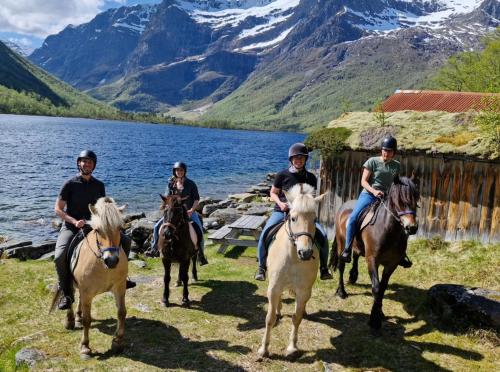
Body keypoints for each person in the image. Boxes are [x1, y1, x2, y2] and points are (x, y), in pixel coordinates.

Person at [54, 150, 135, 311]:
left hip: (94, 226)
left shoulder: (99, 185)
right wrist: (74, 221)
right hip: (72, 226)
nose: (86, 164)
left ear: (94, 165)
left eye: (89, 162)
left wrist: (115, 212)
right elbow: (58, 209)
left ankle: (122, 278)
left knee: (125, 240)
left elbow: (104, 208)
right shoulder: (69, 184)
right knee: (59, 255)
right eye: (83, 161)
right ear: (78, 163)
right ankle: (66, 292)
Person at [254, 143, 333, 281]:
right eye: (296, 158)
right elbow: (273, 193)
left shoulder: (311, 178)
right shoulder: (282, 175)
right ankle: (261, 267)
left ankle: (324, 268)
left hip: (303, 214)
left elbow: (310, 197)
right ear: (291, 160)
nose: (299, 160)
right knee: (265, 234)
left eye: (302, 158)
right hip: (282, 211)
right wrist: (281, 203)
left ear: (305, 160)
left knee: (323, 237)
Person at [340, 136, 412, 267]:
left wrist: (407, 188)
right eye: (384, 150)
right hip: (368, 195)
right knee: (353, 219)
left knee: (401, 222)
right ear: (381, 150)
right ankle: (347, 249)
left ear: (394, 152)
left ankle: (401, 254)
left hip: (386, 197)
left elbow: (396, 183)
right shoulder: (372, 161)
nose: (386, 153)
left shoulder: (396, 165)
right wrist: (374, 191)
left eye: (389, 151)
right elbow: (364, 181)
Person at [151, 161, 208, 265]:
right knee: (156, 227)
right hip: (174, 213)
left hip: (188, 212)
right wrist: (166, 207)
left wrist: (192, 210)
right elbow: (167, 197)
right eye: (177, 170)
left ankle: (201, 255)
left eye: (181, 170)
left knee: (199, 230)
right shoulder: (170, 183)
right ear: (174, 171)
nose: (179, 172)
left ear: (184, 171)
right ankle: (154, 249)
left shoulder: (190, 183)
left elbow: (196, 199)